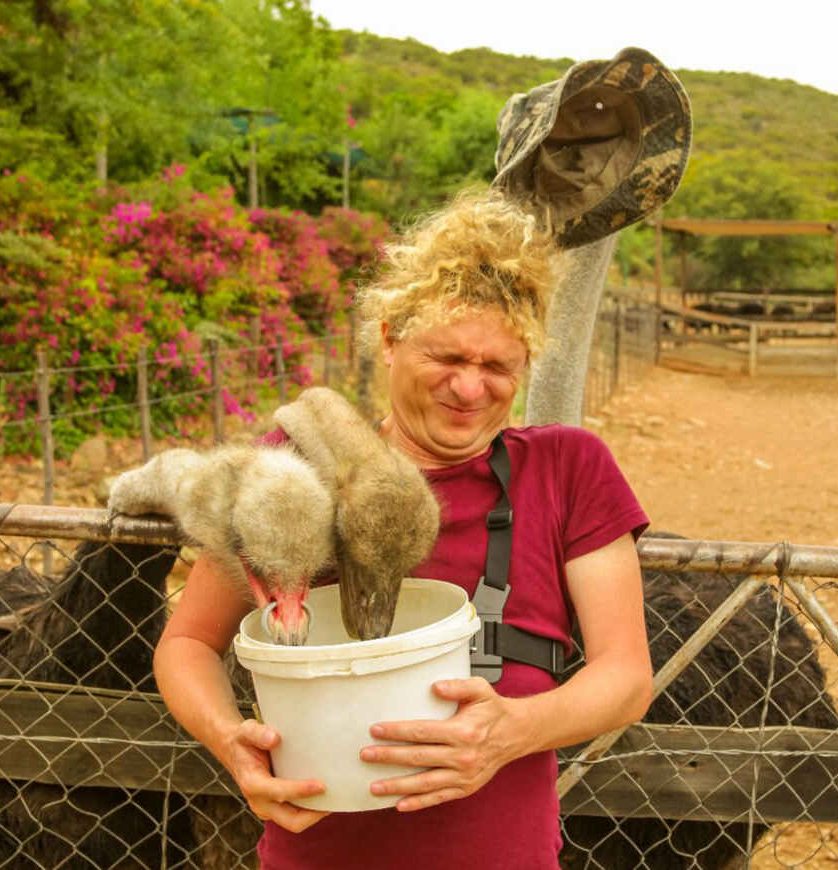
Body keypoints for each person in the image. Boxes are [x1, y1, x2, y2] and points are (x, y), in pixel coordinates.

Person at [152, 189, 654, 869]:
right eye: (446, 358)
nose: (470, 388)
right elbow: (186, 642)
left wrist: (511, 732)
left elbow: (626, 677)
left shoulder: (569, 469)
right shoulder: (296, 466)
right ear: (388, 339)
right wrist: (229, 741)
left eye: (497, 367)